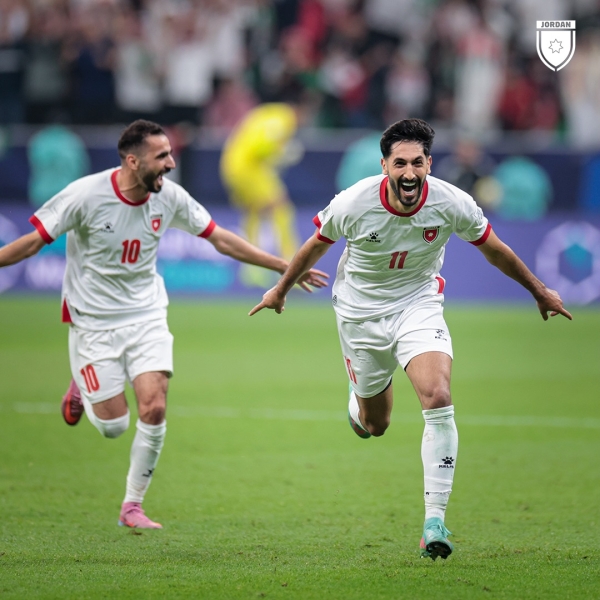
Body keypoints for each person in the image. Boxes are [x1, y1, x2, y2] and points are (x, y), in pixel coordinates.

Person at [250, 118, 572, 560]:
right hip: (360, 316)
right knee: (375, 425)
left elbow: (494, 249)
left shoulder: (451, 202)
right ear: (384, 166)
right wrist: (279, 290)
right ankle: (358, 402)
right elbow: (315, 246)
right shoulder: (354, 202)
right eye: (399, 163)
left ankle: (434, 522)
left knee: (438, 396)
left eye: (417, 163)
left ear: (429, 165)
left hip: (418, 305)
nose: (409, 172)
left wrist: (539, 290)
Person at [0, 119, 328, 530]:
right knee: (114, 426)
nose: (171, 163)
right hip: (93, 322)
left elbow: (220, 238)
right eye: (162, 156)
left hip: (146, 314)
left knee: (155, 406)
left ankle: (132, 506)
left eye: (170, 154)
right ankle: (81, 383)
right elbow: (32, 242)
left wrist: (285, 267)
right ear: (132, 161)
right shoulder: (85, 195)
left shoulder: (169, 196)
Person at [220, 101, 305, 288]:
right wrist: (282, 152)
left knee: (254, 213)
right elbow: (261, 146)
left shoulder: (266, 112)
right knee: (282, 209)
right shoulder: (285, 119)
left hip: (231, 165)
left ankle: (252, 269)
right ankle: (292, 268)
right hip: (249, 167)